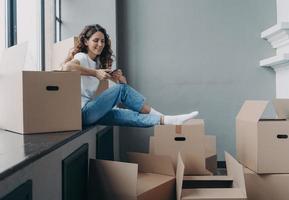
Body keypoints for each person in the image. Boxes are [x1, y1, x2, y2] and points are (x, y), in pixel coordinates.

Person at [62, 24, 199, 127]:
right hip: (81, 113)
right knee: (121, 91)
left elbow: (119, 94)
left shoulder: (96, 63)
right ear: (86, 42)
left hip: (88, 114)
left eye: (102, 41)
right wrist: (96, 73)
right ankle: (163, 116)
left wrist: (118, 80)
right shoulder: (82, 56)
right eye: (96, 40)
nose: (100, 44)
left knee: (125, 114)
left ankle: (166, 121)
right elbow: (67, 67)